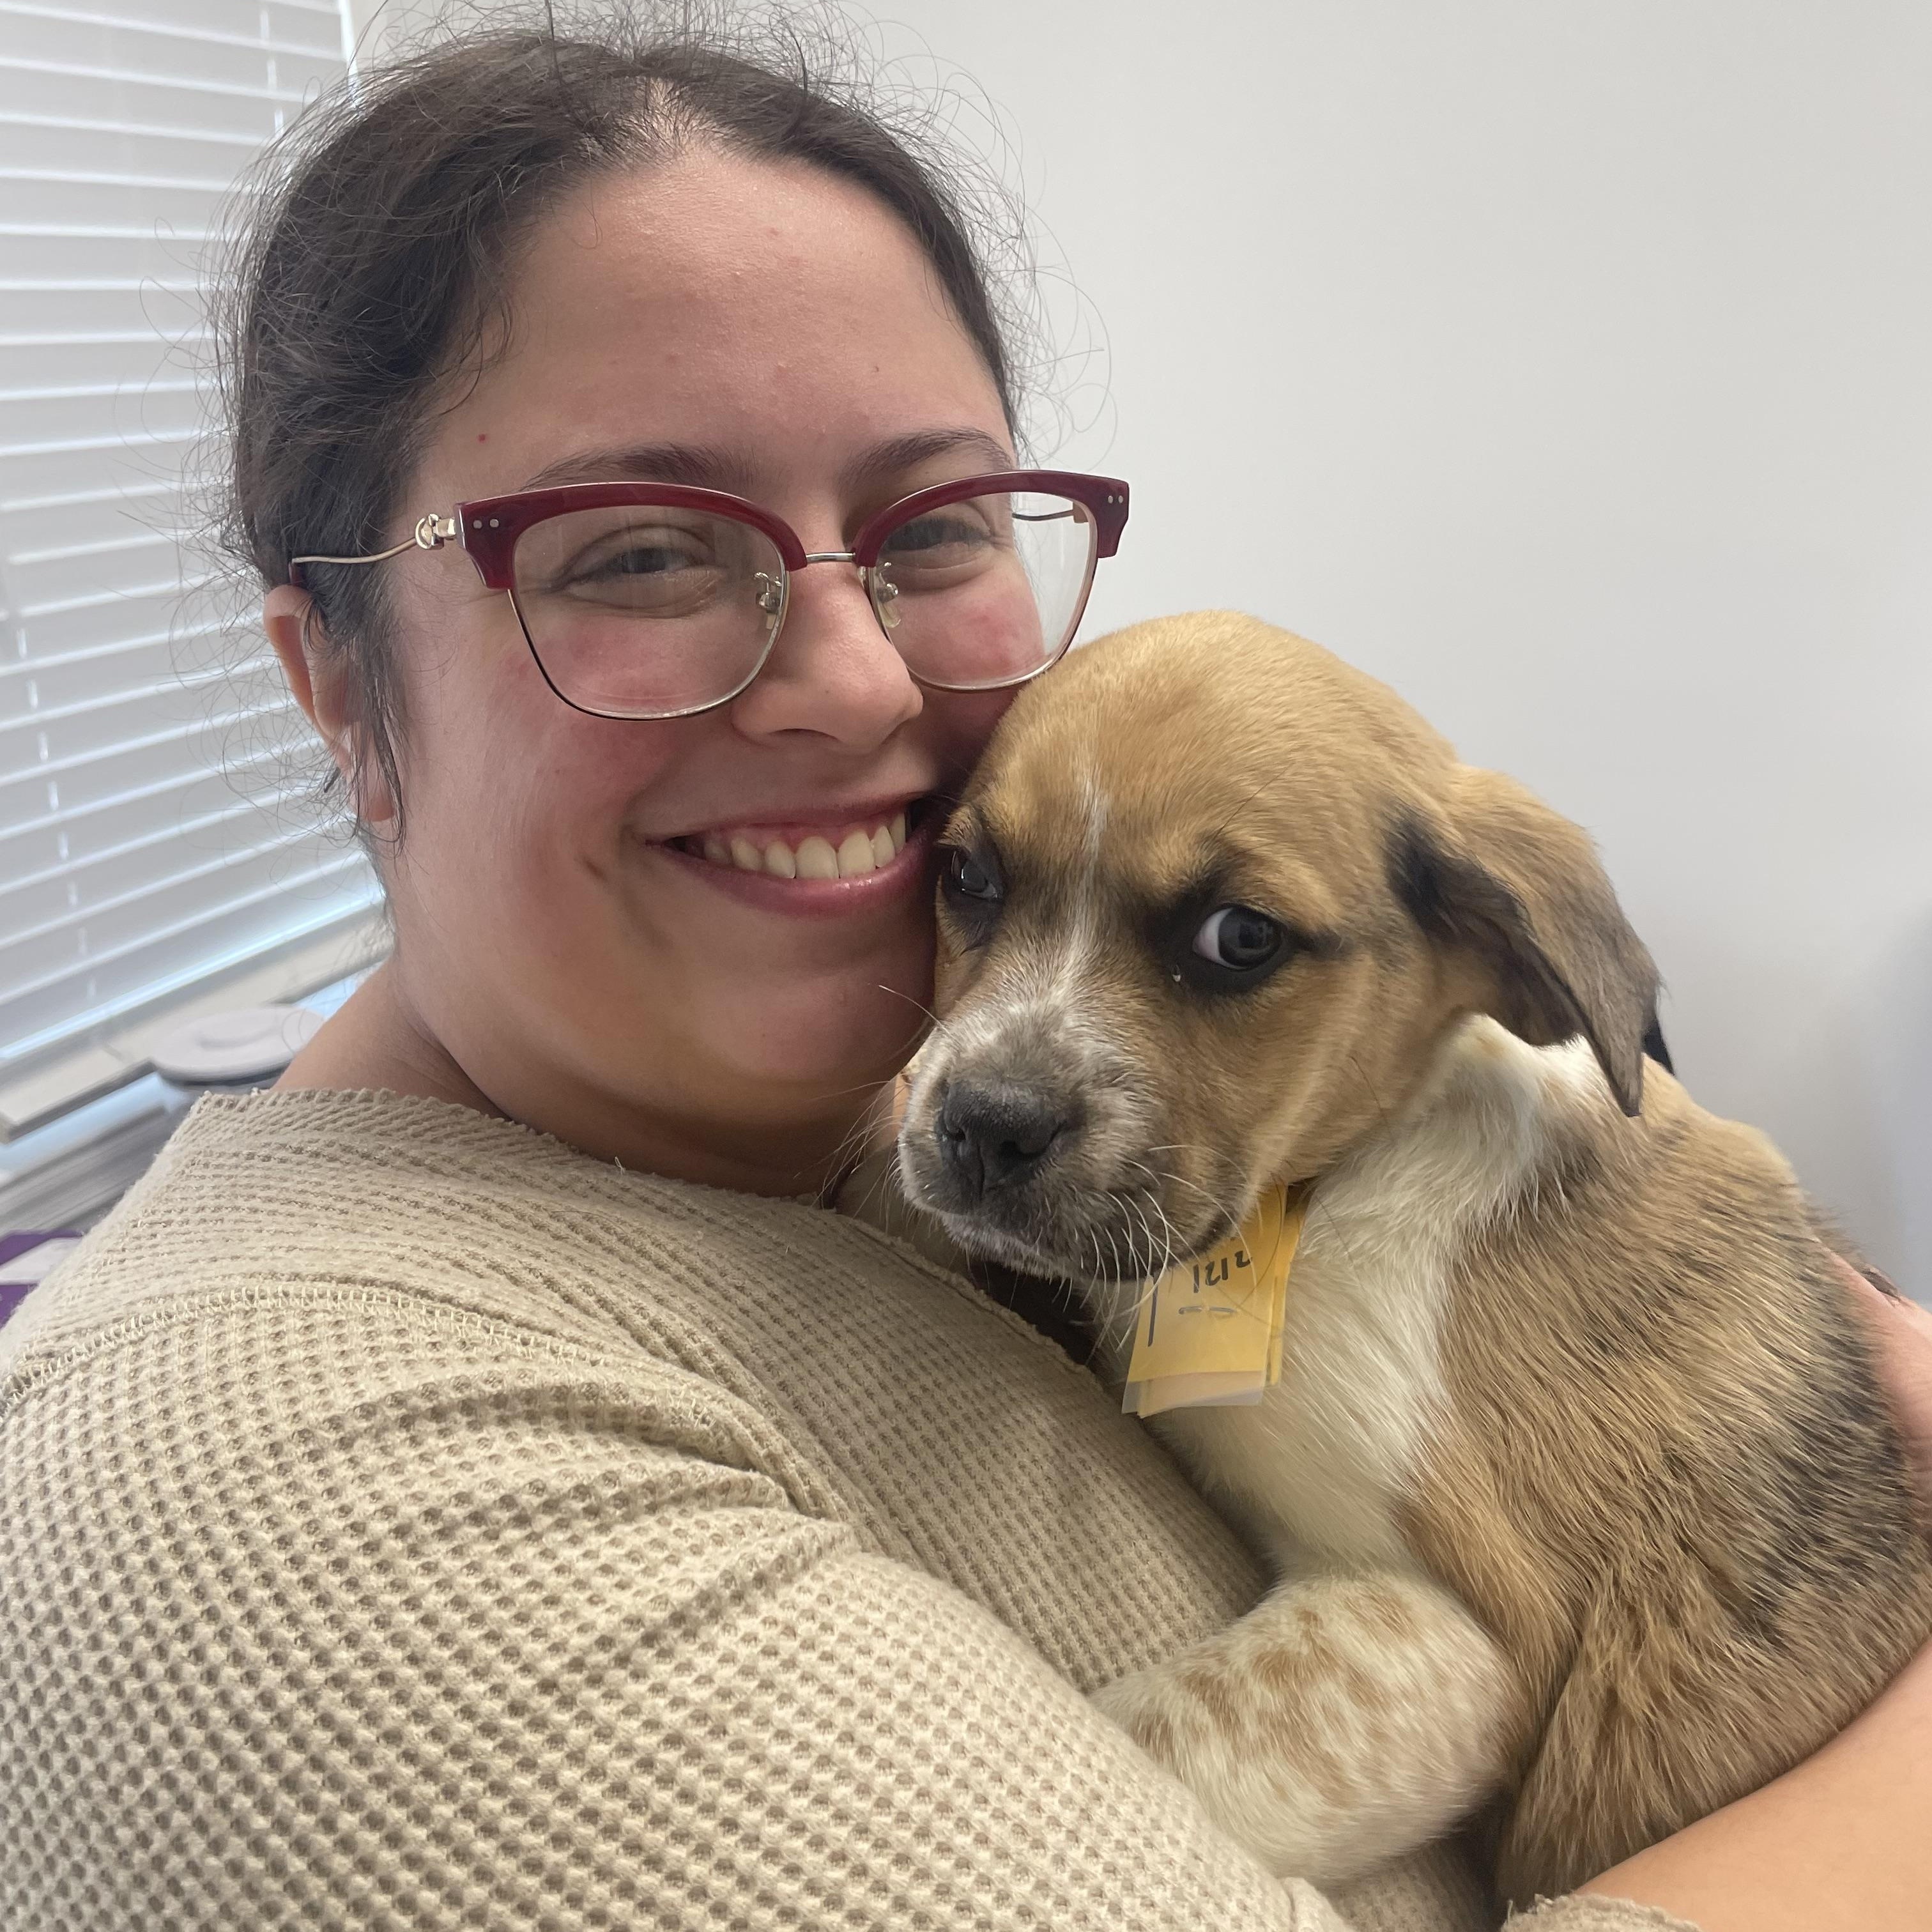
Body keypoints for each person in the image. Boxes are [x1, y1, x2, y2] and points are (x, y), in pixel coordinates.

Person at [1, 15, 1928, 1931]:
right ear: (337, 679)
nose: (855, 683)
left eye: (931, 527)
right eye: (645, 550)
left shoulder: (827, 1153)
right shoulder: (271, 1505)